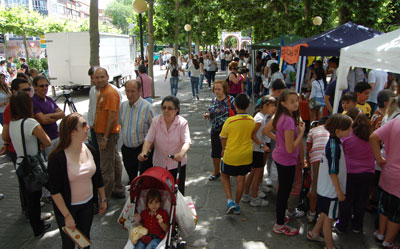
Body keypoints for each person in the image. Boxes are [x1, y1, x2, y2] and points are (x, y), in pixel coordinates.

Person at [48, 113, 107, 248]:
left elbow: (97, 176)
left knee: (84, 241)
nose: (88, 127)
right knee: (69, 244)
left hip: (87, 204)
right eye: (83, 125)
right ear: (72, 132)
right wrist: (67, 216)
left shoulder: (91, 149)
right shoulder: (57, 159)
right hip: (68, 208)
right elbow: (55, 191)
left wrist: (103, 199)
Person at [9, 91, 52, 238]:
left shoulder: (12, 123)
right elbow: (47, 141)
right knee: (46, 192)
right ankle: (39, 228)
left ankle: (37, 226)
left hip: (20, 164)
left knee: (31, 199)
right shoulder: (30, 123)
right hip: (33, 165)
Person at [307, 114, 352, 249]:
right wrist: (339, 192)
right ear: (338, 130)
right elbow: (333, 171)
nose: (350, 130)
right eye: (348, 128)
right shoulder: (334, 147)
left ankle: (314, 232)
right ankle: (329, 246)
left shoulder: (334, 142)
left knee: (326, 214)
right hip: (331, 190)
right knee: (329, 219)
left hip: (326, 188)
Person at [138, 96, 191, 194]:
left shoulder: (182, 123)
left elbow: (186, 142)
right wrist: (144, 152)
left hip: (177, 164)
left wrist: (181, 153)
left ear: (176, 110)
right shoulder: (156, 121)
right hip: (159, 163)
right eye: (164, 108)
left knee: (177, 191)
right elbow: (149, 139)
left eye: (170, 108)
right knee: (160, 191)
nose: (166, 110)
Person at [271, 89, 305, 236]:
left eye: (297, 100)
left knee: (283, 192)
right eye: (292, 101)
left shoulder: (282, 116)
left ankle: (280, 217)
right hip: (286, 160)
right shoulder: (289, 120)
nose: (296, 104)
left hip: (281, 157)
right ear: (283, 103)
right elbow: (291, 148)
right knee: (284, 193)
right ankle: (279, 224)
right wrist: (302, 133)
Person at [334, 114, 374, 234]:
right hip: (367, 173)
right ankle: (357, 225)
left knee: (347, 200)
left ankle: (342, 225)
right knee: (361, 201)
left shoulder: (347, 136)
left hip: (350, 173)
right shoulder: (371, 138)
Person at [93, 67, 125, 200]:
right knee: (115, 161)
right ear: (93, 79)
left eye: (102, 77)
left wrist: (105, 138)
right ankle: (117, 188)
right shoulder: (102, 91)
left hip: (107, 134)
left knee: (106, 167)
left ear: (108, 77)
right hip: (105, 133)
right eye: (97, 77)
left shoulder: (110, 92)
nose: (100, 80)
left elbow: (112, 117)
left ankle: (104, 198)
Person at [219, 93, 254, 215]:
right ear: (249, 105)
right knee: (241, 179)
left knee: (224, 174)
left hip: (231, 155)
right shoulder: (251, 120)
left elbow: (222, 136)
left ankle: (230, 200)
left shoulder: (230, 121)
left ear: (234, 105)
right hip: (246, 156)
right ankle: (237, 204)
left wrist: (224, 148)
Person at [370, 118, 400, 249]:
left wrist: (379, 158)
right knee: (396, 214)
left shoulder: (396, 121)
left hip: (388, 172)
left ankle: (381, 235)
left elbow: (373, 137)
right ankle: (388, 242)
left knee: (385, 206)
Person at [242, 96, 276, 207]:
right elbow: (252, 135)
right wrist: (263, 145)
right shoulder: (260, 119)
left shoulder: (263, 116)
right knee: (256, 175)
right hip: (257, 150)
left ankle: (246, 195)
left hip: (257, 149)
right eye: (273, 105)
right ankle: (255, 198)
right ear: (265, 106)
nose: (274, 108)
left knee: (252, 174)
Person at [119, 80, 155, 183]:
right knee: (132, 180)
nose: (130, 94)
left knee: (144, 181)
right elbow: (121, 125)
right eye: (127, 91)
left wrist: (147, 152)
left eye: (133, 91)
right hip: (127, 151)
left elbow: (154, 131)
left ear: (139, 91)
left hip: (142, 150)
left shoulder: (147, 107)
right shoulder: (123, 106)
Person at [203, 80, 235, 181]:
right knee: (215, 152)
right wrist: (208, 115)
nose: (216, 91)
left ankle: (228, 171)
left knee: (228, 151)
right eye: (215, 89)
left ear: (224, 89)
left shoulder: (231, 100)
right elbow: (212, 112)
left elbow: (236, 113)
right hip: (215, 130)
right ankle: (216, 172)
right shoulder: (213, 100)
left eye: (219, 89)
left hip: (228, 131)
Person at [32, 76, 65, 157]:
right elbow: (43, 120)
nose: (45, 88)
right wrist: (56, 117)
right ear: (35, 87)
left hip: (56, 136)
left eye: (46, 85)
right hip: (45, 141)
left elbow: (62, 114)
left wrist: (49, 116)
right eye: (41, 86)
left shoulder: (49, 99)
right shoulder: (33, 101)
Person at [305, 116, 330, 223]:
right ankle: (325, 214)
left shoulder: (312, 130)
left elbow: (308, 149)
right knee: (329, 187)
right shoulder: (332, 130)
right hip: (330, 158)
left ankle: (312, 212)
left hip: (316, 159)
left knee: (314, 186)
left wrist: (308, 163)